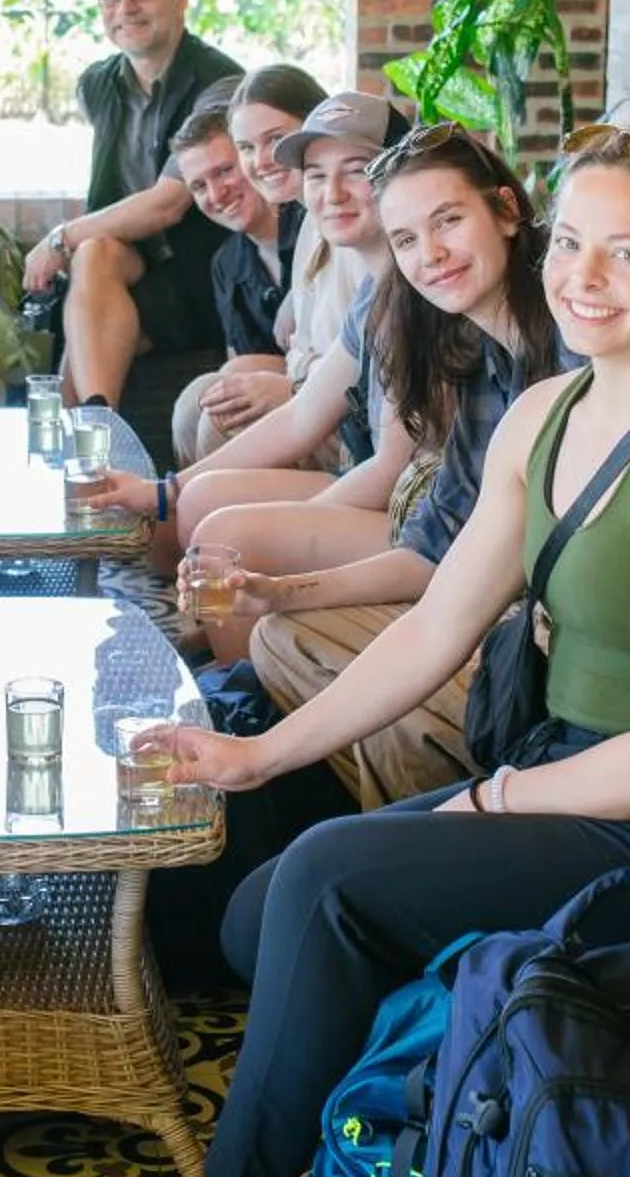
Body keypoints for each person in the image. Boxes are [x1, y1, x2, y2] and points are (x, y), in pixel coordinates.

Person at [46, 124, 630, 1177]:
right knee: (257, 898)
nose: (583, 277)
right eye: (571, 245)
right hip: (556, 775)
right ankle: (400, 1138)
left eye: (627, 252)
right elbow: (435, 626)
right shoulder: (552, 411)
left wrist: (489, 800)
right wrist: (254, 754)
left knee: (335, 885)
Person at [210, 123, 571, 799]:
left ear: (506, 210)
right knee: (280, 635)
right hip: (483, 614)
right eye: (406, 239)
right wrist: (277, 591)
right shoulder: (480, 360)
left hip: (546, 645)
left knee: (392, 711)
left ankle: (406, 837)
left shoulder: (570, 351)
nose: (429, 254)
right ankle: (382, 820)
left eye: (449, 221)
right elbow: (431, 546)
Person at [81, 91, 408, 581]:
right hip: (363, 463)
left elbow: (391, 467)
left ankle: (231, 637)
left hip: (419, 511)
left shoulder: (413, 289)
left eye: (357, 169)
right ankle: (204, 630)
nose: (333, 192)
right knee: (198, 496)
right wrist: (165, 490)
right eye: (317, 175)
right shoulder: (367, 290)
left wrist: (283, 530)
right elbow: (304, 410)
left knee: (226, 530)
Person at [20, 0, 243, 407]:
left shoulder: (221, 83)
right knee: (95, 254)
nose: (127, 7)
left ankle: (88, 442)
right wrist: (80, 240)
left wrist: (61, 236)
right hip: (119, 266)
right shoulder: (97, 84)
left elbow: (168, 203)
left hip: (196, 275)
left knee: (81, 343)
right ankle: (98, 436)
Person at [167, 105, 301, 464]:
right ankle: (196, 510)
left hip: (327, 395)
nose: (216, 194)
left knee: (219, 415)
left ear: (249, 159)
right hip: (283, 396)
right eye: (198, 186)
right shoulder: (226, 264)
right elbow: (242, 363)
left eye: (224, 170)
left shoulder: (311, 221)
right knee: (192, 404)